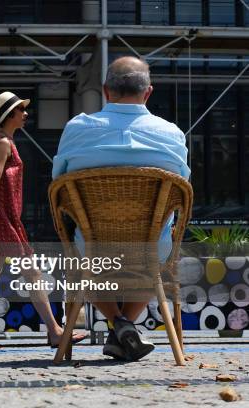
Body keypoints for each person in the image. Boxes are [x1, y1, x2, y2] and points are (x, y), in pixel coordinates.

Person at [53, 56, 190, 362]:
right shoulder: (173, 135)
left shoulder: (76, 130)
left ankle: (119, 325)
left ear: (105, 91)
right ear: (148, 92)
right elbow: (183, 193)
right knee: (154, 251)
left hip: (93, 248)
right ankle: (125, 328)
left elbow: (58, 185)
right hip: (150, 249)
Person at [0, 91, 87, 350]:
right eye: (21, 110)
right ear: (10, 115)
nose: (25, 114)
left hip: (3, 217)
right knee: (32, 273)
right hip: (2, 219)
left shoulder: (3, 140)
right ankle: (55, 331)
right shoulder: (2, 143)